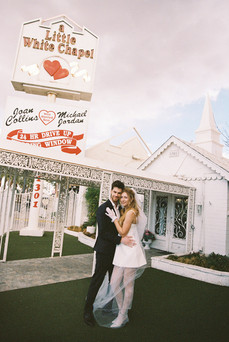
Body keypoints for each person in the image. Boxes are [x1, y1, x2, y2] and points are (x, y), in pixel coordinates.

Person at [83, 181, 136, 327]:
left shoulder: (122, 209)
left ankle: (109, 307)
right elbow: (104, 233)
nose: (117, 195)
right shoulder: (102, 209)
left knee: (114, 282)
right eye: (115, 192)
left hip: (117, 253)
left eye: (119, 193)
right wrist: (121, 239)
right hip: (104, 251)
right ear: (111, 191)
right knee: (97, 280)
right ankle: (87, 311)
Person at [93, 187, 147, 328]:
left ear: (131, 199)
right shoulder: (125, 211)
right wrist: (116, 218)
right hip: (122, 249)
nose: (122, 199)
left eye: (125, 197)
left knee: (128, 284)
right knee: (114, 283)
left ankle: (122, 315)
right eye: (121, 197)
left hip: (130, 250)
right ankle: (122, 311)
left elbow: (123, 232)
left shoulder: (130, 212)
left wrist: (115, 219)